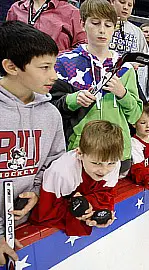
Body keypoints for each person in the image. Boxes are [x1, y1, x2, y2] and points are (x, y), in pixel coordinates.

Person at [51, 0, 142, 176]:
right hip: (80, 153)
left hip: (116, 156)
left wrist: (122, 93)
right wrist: (73, 99)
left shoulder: (125, 67)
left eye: (108, 25)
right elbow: (52, 107)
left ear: (115, 28)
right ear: (82, 23)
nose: (102, 30)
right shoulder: (64, 63)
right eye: (95, 23)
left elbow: (136, 115)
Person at [0, 21, 66, 264]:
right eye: (44, 67)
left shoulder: (50, 114)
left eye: (54, 66)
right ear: (11, 66)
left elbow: (53, 163)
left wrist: (37, 192)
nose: (54, 75)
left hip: (23, 227)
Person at [30, 120, 123, 236]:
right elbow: (45, 212)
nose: (104, 170)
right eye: (96, 163)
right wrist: (75, 210)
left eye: (110, 163)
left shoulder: (115, 164)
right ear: (79, 153)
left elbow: (107, 194)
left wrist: (96, 211)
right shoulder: (61, 171)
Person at [6, 0, 87, 52]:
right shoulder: (15, 8)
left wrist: (54, 57)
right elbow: (7, 42)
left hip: (57, 69)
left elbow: (83, 46)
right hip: (21, 68)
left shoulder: (71, 12)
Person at [109, 0, 149, 99]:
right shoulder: (102, 26)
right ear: (112, 2)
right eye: (122, 2)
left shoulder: (137, 31)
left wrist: (137, 62)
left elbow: (147, 58)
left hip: (129, 79)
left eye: (130, 5)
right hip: (106, 77)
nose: (126, 7)